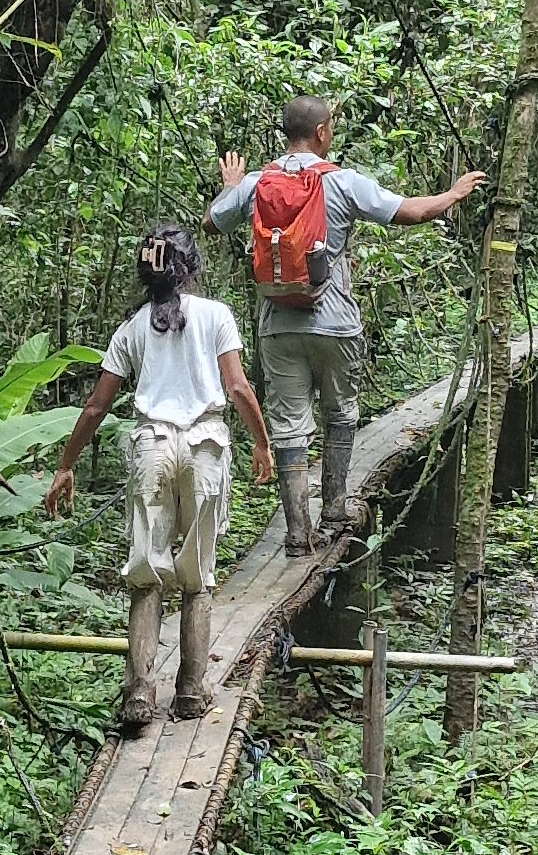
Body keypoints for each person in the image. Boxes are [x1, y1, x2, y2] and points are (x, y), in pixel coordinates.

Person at [209, 97, 483, 551]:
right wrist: (452, 194)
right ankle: (334, 510)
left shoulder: (258, 182)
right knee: (340, 414)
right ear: (321, 133)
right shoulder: (341, 182)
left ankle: (297, 533)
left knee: (290, 425)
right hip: (335, 321)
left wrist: (232, 185)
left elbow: (212, 222)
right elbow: (408, 212)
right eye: (330, 126)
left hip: (278, 324)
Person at [42, 223, 273, 731]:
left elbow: (97, 404)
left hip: (152, 446)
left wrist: (65, 465)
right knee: (198, 575)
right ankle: (191, 689)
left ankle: (140, 694)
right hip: (205, 446)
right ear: (189, 268)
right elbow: (236, 386)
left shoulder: (132, 328)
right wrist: (261, 441)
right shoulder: (217, 316)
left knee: (146, 574)